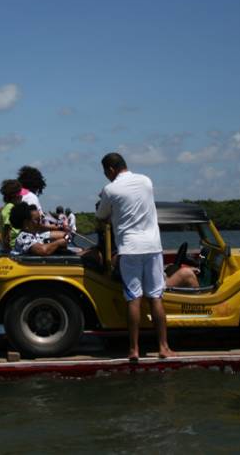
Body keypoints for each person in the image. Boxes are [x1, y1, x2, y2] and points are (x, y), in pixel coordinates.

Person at [95, 151, 173, 360]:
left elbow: (101, 216)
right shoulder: (146, 181)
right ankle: (163, 347)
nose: (106, 176)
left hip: (129, 248)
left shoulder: (110, 189)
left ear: (111, 169)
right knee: (156, 297)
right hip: (153, 246)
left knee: (133, 298)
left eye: (106, 172)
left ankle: (134, 349)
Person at [0, 179, 22, 253]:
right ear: (14, 195)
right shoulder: (9, 208)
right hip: (14, 246)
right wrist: (8, 249)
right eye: (19, 194)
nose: (21, 196)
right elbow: (7, 229)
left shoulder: (9, 206)